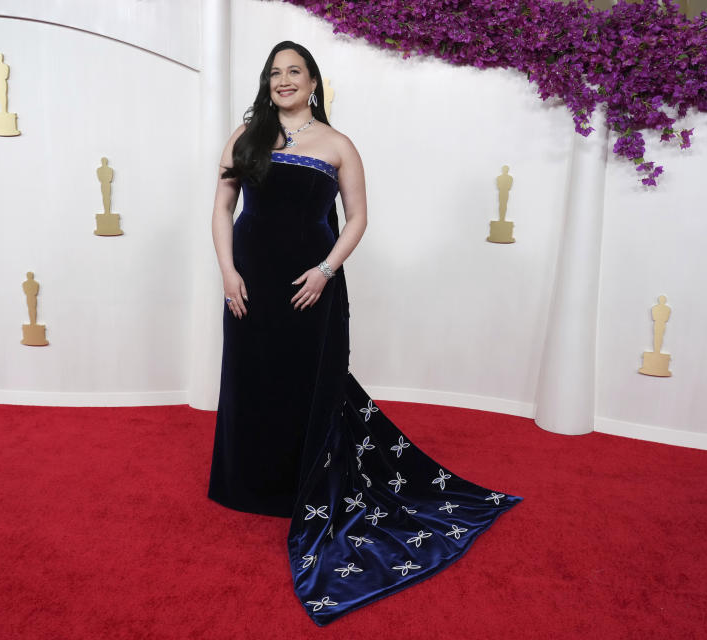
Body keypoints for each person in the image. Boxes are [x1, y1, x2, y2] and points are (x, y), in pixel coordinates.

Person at [207, 41, 521, 626]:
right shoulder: (243, 137)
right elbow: (223, 208)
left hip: (311, 286)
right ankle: (248, 485)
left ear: (314, 82)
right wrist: (227, 272)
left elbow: (357, 217)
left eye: (294, 72)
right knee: (251, 378)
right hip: (249, 280)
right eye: (274, 73)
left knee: (305, 383)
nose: (284, 81)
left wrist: (326, 271)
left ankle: (299, 489)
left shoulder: (338, 144)